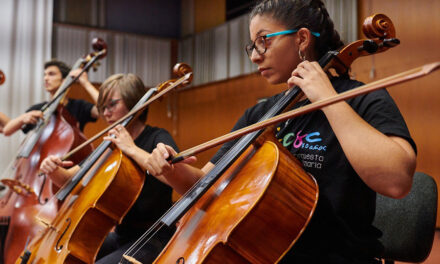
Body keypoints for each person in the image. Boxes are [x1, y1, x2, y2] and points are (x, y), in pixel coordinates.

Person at [142, 0, 417, 263]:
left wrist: (328, 100)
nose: (254, 55)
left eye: (264, 41)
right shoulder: (260, 115)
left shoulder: (362, 98)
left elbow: (396, 181)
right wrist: (171, 169)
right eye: (252, 45)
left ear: (302, 39)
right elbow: (208, 187)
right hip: (262, 252)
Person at [39, 73, 177, 263]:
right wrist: (53, 170)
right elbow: (69, 178)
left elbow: (174, 175)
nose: (106, 113)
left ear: (134, 103)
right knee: (67, 256)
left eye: (112, 105)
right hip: (122, 234)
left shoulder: (157, 137)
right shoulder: (109, 146)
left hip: (154, 235)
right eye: (103, 107)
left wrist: (131, 148)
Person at [3, 60, 99, 136]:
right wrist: (22, 118)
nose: (45, 78)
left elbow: (103, 110)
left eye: (51, 74)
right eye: (45, 74)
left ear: (64, 80)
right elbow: (7, 130)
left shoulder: (79, 106)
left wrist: (86, 84)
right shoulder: (38, 109)